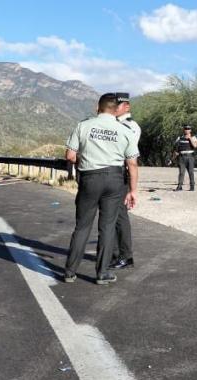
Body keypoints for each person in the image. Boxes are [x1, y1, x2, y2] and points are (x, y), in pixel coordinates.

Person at [64, 93, 139, 285]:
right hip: (114, 179)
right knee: (107, 227)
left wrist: (86, 161)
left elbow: (70, 156)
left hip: (90, 178)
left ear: (98, 106)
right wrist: (132, 190)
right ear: (116, 109)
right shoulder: (125, 130)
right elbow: (132, 164)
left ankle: (70, 271)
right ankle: (102, 273)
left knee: (82, 226)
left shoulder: (84, 125)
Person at [108, 92, 140, 270]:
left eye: (117, 105)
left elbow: (130, 157)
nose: (114, 108)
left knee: (120, 216)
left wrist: (132, 188)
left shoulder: (130, 126)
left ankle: (125, 255)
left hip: (121, 173)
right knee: (110, 215)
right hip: (111, 173)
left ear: (126, 106)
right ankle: (112, 254)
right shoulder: (113, 124)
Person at [173, 125, 197, 191]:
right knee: (181, 172)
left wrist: (190, 139)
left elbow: (195, 146)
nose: (187, 130)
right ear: (183, 130)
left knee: (191, 172)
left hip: (190, 156)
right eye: (185, 129)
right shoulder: (179, 138)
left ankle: (192, 186)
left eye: (188, 129)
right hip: (181, 157)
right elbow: (176, 148)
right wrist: (173, 157)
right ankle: (179, 186)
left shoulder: (194, 138)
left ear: (190, 130)